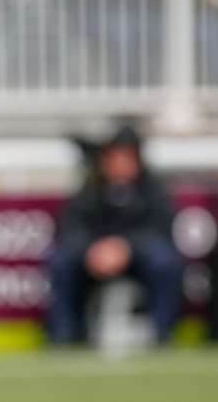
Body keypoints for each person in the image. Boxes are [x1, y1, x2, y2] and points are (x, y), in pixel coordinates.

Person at [47, 125, 184, 346]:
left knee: (164, 261)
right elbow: (72, 227)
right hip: (95, 258)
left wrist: (126, 247)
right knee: (62, 260)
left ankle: (163, 332)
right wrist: (93, 250)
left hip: (138, 258)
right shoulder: (91, 189)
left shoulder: (152, 190)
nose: (120, 164)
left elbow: (161, 229)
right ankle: (65, 333)